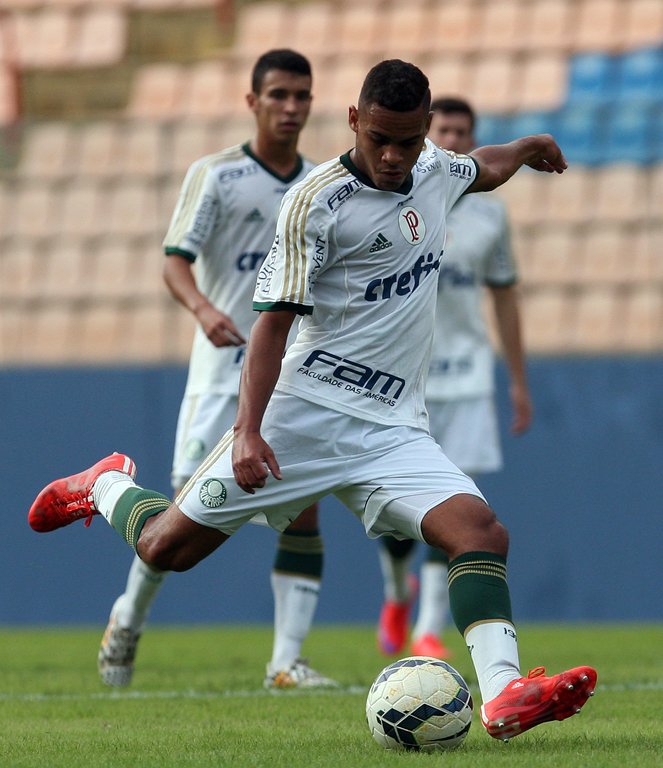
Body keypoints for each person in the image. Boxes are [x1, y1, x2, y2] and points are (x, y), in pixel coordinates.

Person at [29, 59, 596, 741]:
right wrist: (247, 431)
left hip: (390, 427)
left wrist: (529, 148)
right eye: (378, 139)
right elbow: (271, 323)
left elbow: (482, 165)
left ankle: (504, 692)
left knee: (479, 532)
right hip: (302, 413)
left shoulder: (435, 172)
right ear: (354, 120)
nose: (391, 157)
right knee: (167, 549)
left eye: (407, 142)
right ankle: (107, 485)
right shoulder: (316, 204)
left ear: (423, 135)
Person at [95, 49, 337, 691]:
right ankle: (128, 618)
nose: (291, 107)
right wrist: (203, 308)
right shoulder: (218, 176)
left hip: (292, 373)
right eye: (279, 95)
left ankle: (286, 663)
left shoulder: (323, 187)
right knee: (181, 517)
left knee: (305, 507)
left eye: (302, 96)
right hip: (221, 369)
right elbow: (176, 259)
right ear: (252, 101)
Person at [377, 96, 533, 661]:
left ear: (474, 138)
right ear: (427, 134)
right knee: (398, 512)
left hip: (466, 376)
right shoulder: (395, 201)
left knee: (458, 505)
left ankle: (428, 626)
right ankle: (397, 593)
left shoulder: (491, 216)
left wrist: (516, 378)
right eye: (443, 130)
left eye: (463, 131)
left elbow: (505, 297)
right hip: (401, 377)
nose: (454, 139)